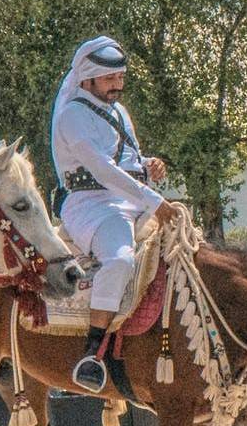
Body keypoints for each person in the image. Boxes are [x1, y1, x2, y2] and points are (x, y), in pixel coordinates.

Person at [49, 35, 169, 395]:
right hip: (93, 205)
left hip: (131, 199)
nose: (117, 84)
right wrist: (153, 200)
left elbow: (126, 163)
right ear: (87, 78)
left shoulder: (117, 111)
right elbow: (103, 172)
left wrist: (148, 166)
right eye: (109, 79)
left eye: (120, 77)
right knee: (119, 261)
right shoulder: (72, 116)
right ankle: (93, 353)